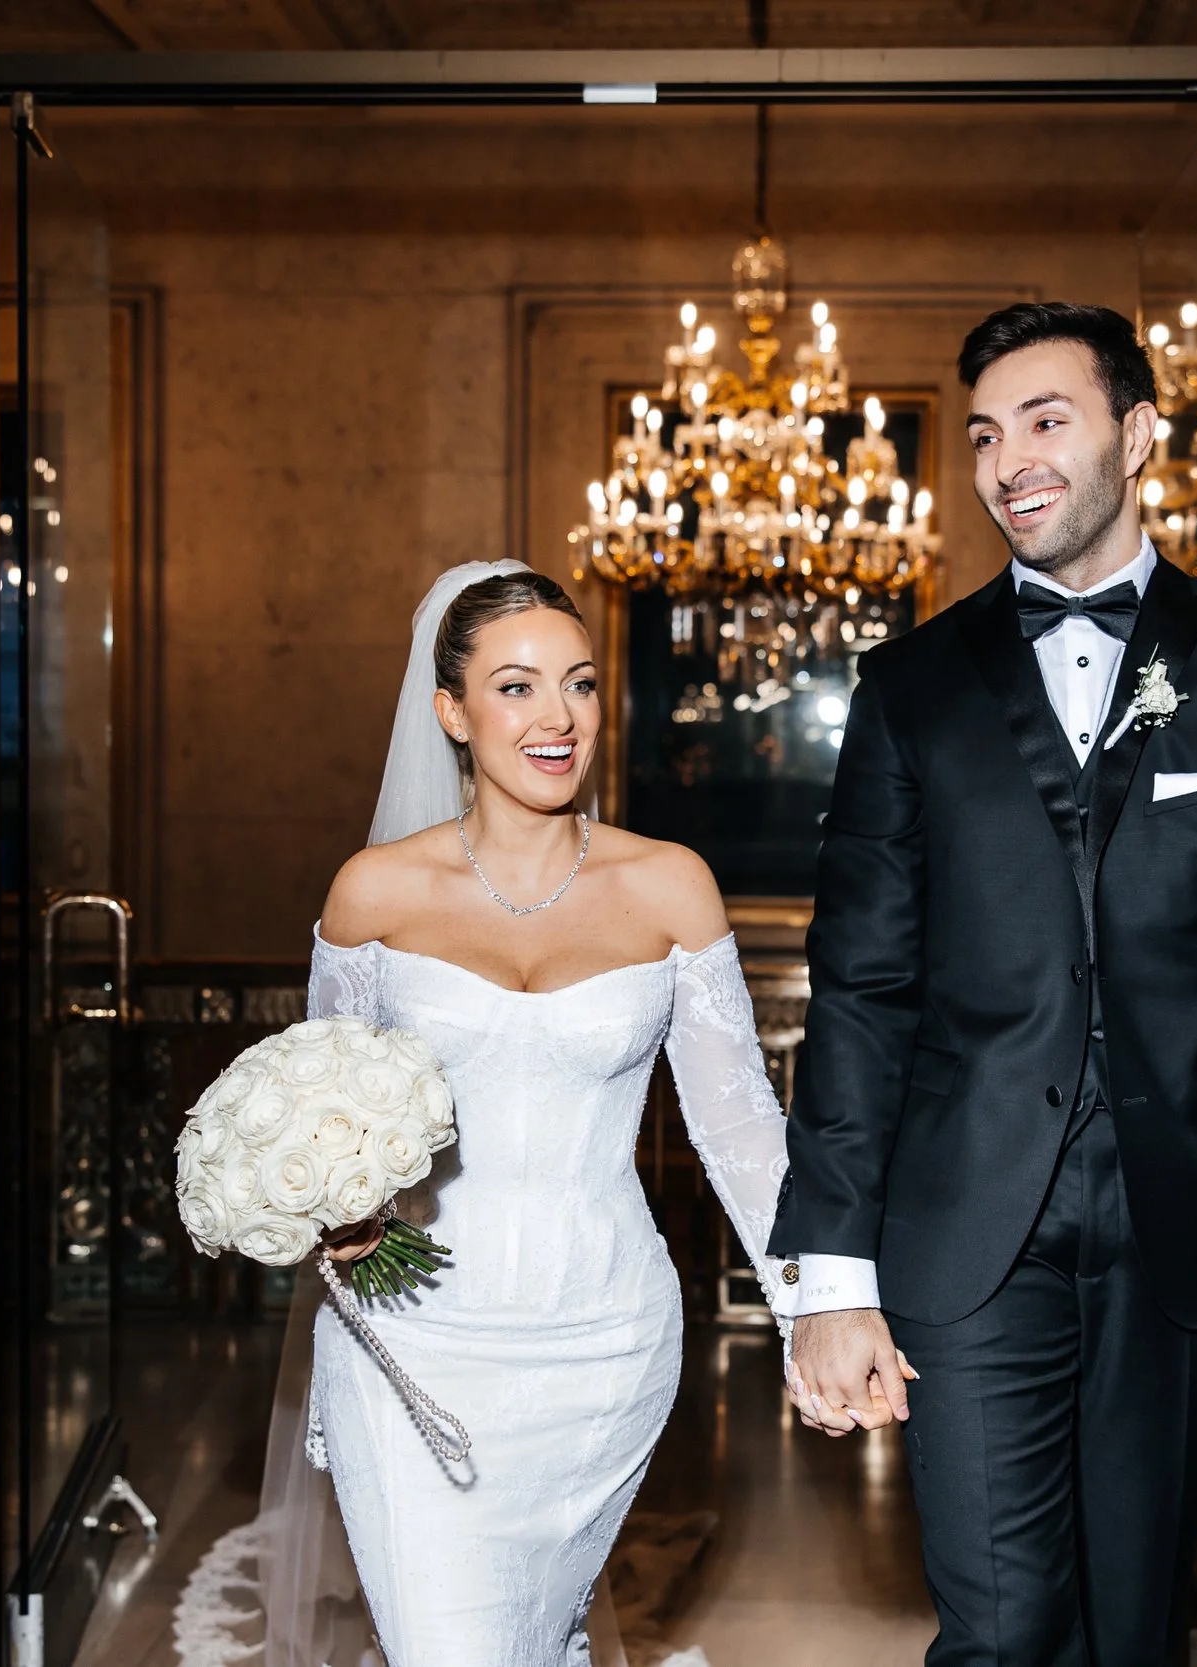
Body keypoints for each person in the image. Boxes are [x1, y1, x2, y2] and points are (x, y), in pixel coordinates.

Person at [770, 302, 1197, 1664]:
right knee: (1002, 1626)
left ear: (1139, 433)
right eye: (985, 435)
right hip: (965, 1221)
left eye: (1045, 421)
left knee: (1133, 1625)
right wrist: (830, 1273)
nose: (1008, 462)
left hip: (1192, 1214)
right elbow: (860, 987)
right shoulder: (910, 687)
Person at [251, 560, 790, 1667]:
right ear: (451, 711)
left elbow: (742, 1130)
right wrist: (338, 1209)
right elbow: (323, 1109)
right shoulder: (373, 893)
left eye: (579, 683)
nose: (558, 716)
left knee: (535, 1639)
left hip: (605, 1345)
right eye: (516, 686)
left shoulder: (670, 886)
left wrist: (818, 1308)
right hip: (410, 1346)